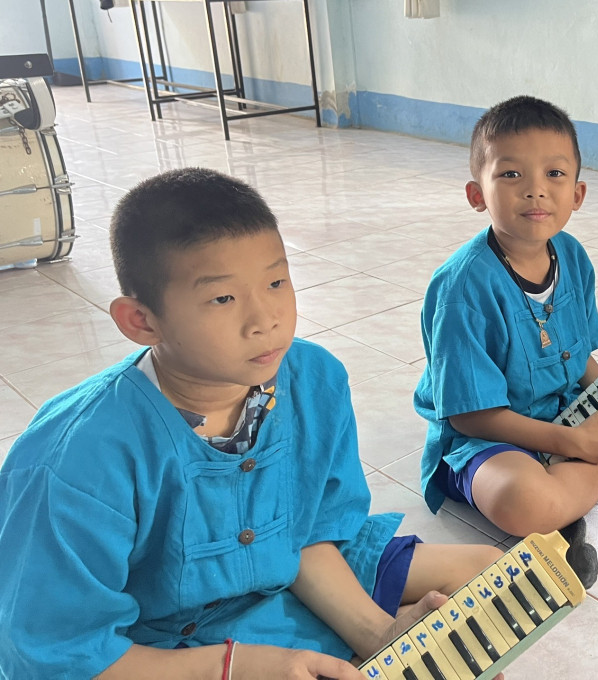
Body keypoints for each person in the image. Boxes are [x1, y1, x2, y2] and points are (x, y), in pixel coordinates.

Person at [0, 168, 502, 680]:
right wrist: (236, 666)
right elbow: (54, 654)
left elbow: (307, 535)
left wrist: (379, 637)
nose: (266, 319)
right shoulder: (73, 459)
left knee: (489, 582)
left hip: (279, 587)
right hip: (161, 647)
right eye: (223, 298)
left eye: (276, 282)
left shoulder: (314, 379)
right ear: (141, 321)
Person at [414, 96, 598, 588]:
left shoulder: (571, 256)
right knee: (528, 502)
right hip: (491, 439)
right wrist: (572, 443)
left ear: (578, 194)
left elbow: (581, 360)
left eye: (554, 174)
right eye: (511, 174)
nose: (536, 189)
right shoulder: (461, 287)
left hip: (570, 411)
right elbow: (469, 416)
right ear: (476, 194)